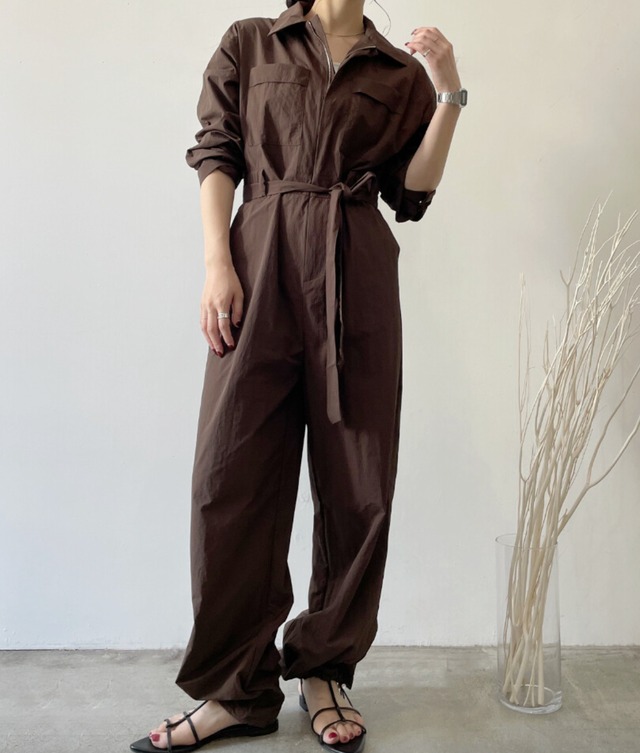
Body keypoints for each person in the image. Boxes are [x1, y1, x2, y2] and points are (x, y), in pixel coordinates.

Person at [129, 0, 464, 751]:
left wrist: (448, 91)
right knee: (229, 476)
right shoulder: (251, 42)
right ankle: (237, 690)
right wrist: (217, 263)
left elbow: (412, 194)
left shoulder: (399, 70)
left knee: (359, 484)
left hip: (357, 271)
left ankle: (324, 671)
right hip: (259, 262)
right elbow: (218, 150)